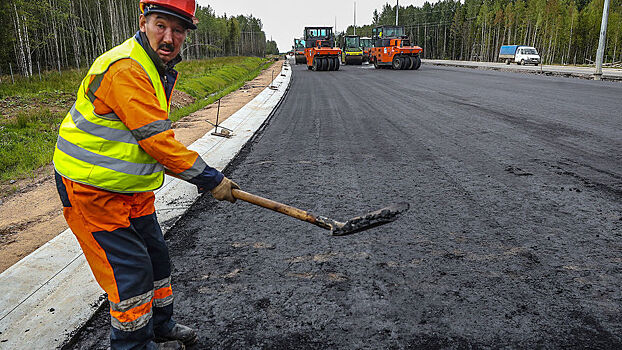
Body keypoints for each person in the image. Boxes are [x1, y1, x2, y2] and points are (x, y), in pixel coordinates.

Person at [52, 1, 239, 349]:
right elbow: (157, 143)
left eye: (178, 29)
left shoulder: (156, 66)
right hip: (91, 190)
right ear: (143, 22)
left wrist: (206, 177)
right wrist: (211, 179)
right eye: (160, 26)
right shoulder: (127, 69)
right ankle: (134, 346)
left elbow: (148, 141)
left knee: (156, 256)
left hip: (129, 189)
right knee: (132, 275)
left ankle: (160, 326)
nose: (169, 37)